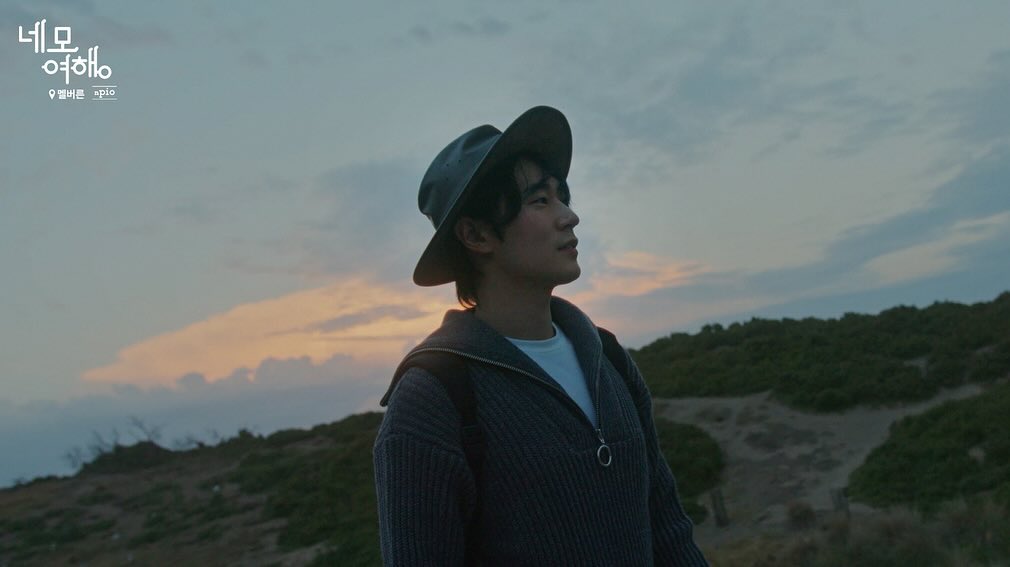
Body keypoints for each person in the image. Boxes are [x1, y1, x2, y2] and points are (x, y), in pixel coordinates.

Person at [373, 106, 708, 566]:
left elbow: (668, 530)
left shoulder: (607, 358)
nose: (569, 216)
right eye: (539, 201)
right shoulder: (432, 399)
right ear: (476, 234)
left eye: (561, 197)